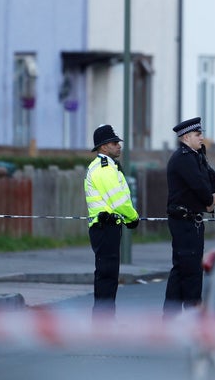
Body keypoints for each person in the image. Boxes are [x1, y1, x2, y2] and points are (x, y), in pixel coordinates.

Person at [163, 117, 215, 318]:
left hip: (192, 221)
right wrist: (209, 200)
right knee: (190, 273)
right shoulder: (183, 158)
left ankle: (171, 319)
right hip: (183, 220)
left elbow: (214, 178)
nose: (202, 138)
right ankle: (190, 319)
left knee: (183, 270)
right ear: (187, 137)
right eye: (198, 135)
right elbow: (198, 184)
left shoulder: (196, 156)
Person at [84, 124, 140, 319]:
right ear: (103, 147)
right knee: (107, 276)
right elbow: (118, 201)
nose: (119, 146)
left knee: (106, 275)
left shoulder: (102, 166)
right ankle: (103, 321)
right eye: (114, 142)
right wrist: (132, 218)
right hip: (106, 226)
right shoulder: (105, 169)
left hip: (105, 227)